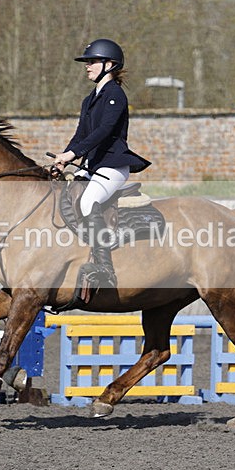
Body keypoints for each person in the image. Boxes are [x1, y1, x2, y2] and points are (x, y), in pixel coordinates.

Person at [53, 38, 150, 289]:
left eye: (92, 62)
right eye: (87, 62)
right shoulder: (90, 99)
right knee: (66, 199)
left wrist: (73, 155)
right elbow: (81, 134)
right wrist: (63, 158)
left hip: (112, 166)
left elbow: (105, 131)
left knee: (87, 202)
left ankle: (105, 269)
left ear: (110, 64)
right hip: (93, 165)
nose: (87, 66)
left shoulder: (115, 95)